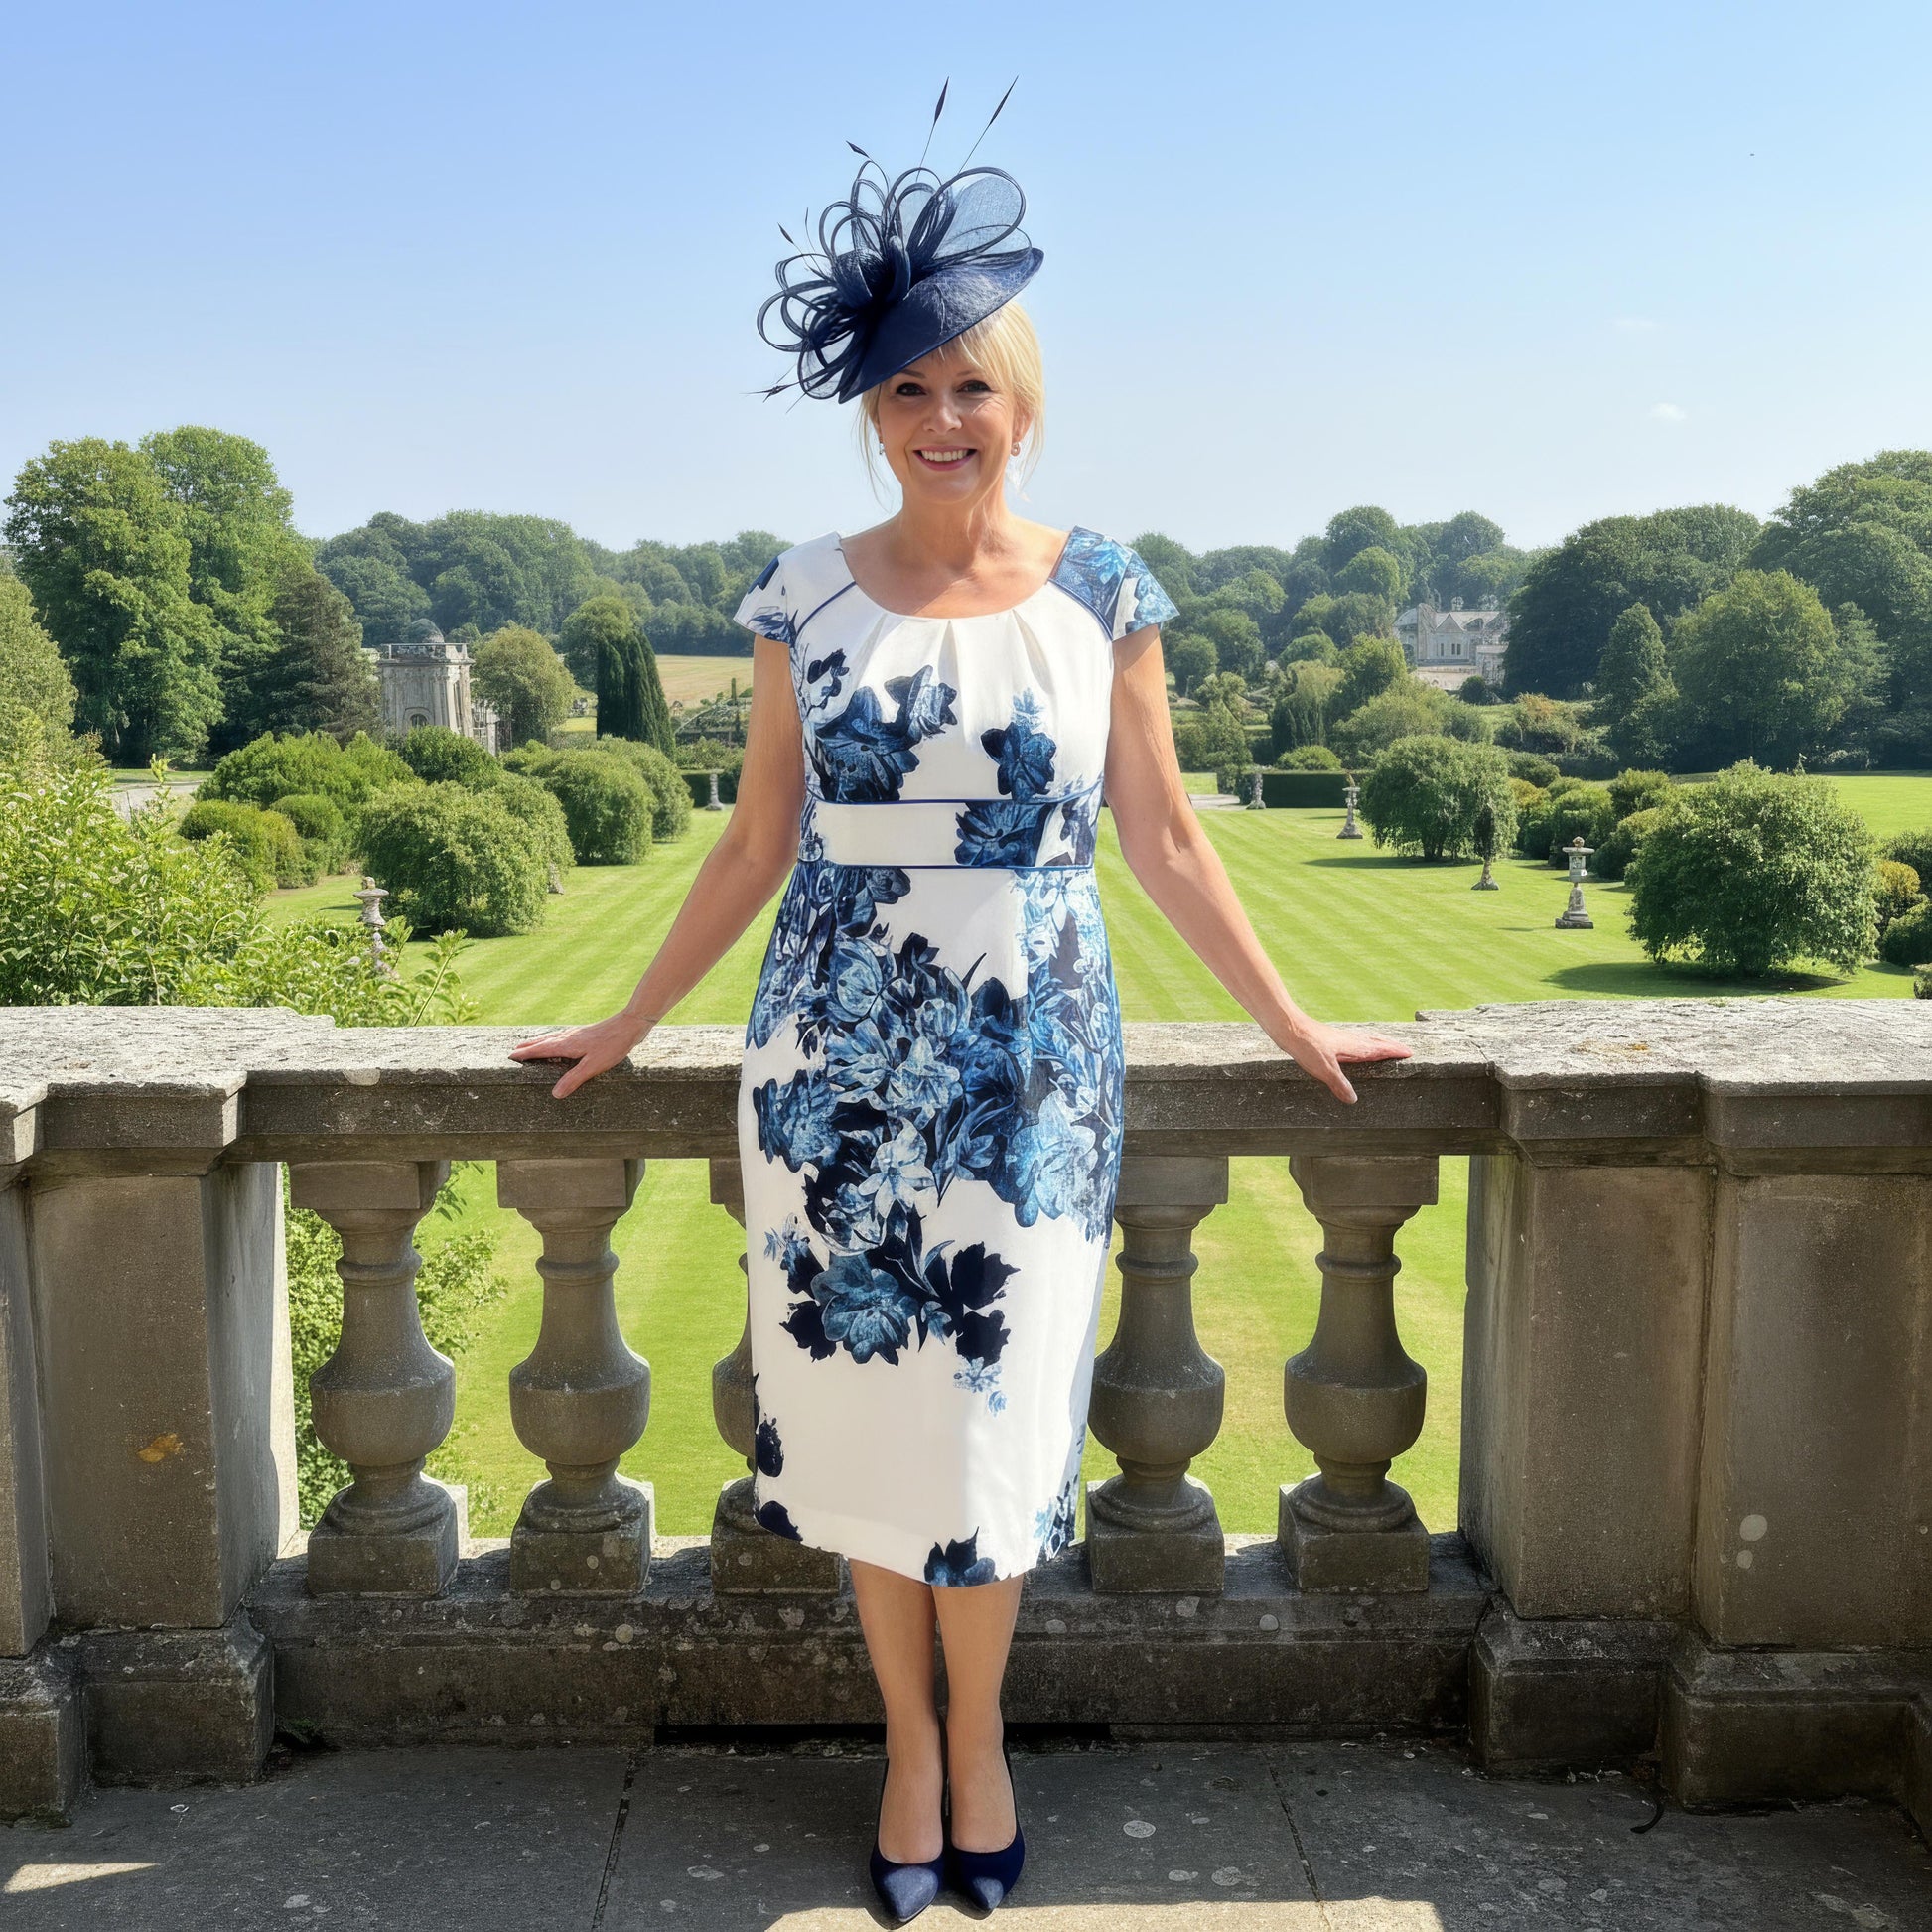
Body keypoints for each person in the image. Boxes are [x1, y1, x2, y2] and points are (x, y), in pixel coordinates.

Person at [510, 119, 1411, 1924]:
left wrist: (1297, 1017)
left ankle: (975, 1740)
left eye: (972, 384)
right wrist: (624, 1017)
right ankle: (904, 1758)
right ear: (872, 410)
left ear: (1023, 402)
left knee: (991, 1433)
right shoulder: (801, 592)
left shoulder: (1104, 590)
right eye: (909, 386)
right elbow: (758, 840)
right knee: (858, 1429)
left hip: (1028, 1064)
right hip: (833, 1062)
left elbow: (1160, 836)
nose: (944, 415)